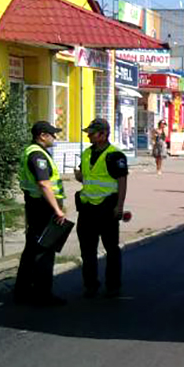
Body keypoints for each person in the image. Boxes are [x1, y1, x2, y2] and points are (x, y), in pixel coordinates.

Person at [13, 121, 67, 307]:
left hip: (35, 206)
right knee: (44, 250)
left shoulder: (32, 151)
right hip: (44, 208)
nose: (55, 137)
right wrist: (58, 210)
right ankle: (42, 294)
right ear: (42, 135)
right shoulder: (37, 155)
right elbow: (44, 184)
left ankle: (22, 290)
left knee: (32, 249)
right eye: (52, 134)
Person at [75, 117, 128, 299]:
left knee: (111, 248)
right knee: (87, 250)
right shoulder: (87, 153)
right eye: (88, 133)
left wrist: (119, 206)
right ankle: (90, 286)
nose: (89, 136)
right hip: (87, 208)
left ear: (104, 134)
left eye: (92, 133)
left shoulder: (115, 155)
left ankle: (113, 286)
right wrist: (79, 176)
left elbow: (122, 182)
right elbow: (85, 177)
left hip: (107, 207)